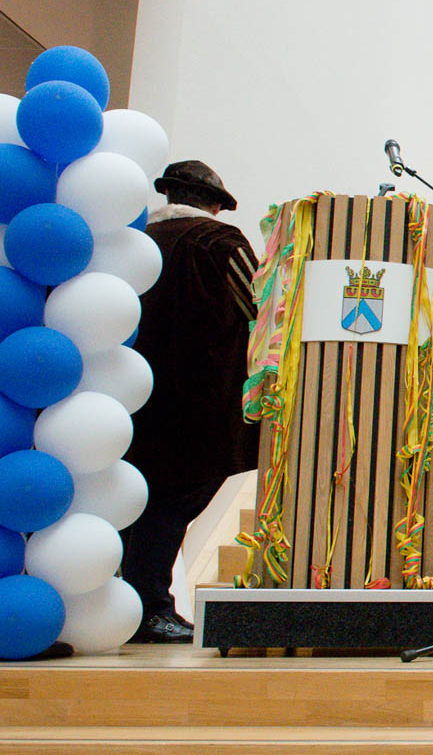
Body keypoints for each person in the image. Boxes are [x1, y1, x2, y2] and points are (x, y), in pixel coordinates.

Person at [124, 162, 258, 643]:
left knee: (136, 500)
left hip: (133, 395)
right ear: (216, 204)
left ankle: (129, 606)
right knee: (173, 503)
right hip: (200, 401)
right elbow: (264, 307)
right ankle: (150, 609)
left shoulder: (135, 241)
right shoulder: (220, 242)